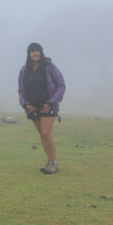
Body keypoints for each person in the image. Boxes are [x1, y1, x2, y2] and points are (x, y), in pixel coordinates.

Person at [18, 42, 66, 174]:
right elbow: (21, 90)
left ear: (41, 52)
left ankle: (53, 163)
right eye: (32, 51)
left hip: (47, 105)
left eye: (37, 50)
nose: (35, 53)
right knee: (42, 135)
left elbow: (61, 85)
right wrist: (25, 104)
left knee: (46, 133)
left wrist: (51, 102)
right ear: (29, 54)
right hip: (32, 107)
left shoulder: (50, 67)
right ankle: (49, 162)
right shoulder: (24, 70)